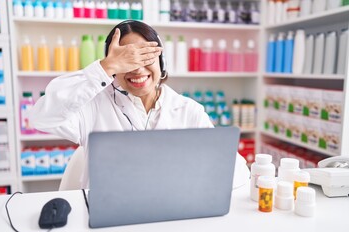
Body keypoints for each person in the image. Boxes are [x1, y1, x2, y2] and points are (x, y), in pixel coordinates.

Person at [30, 20, 249, 188]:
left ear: (161, 62)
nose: (137, 69)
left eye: (146, 58)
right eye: (127, 60)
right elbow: (43, 116)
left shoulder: (187, 111)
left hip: (170, 214)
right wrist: (104, 67)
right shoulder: (92, 107)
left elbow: (235, 168)